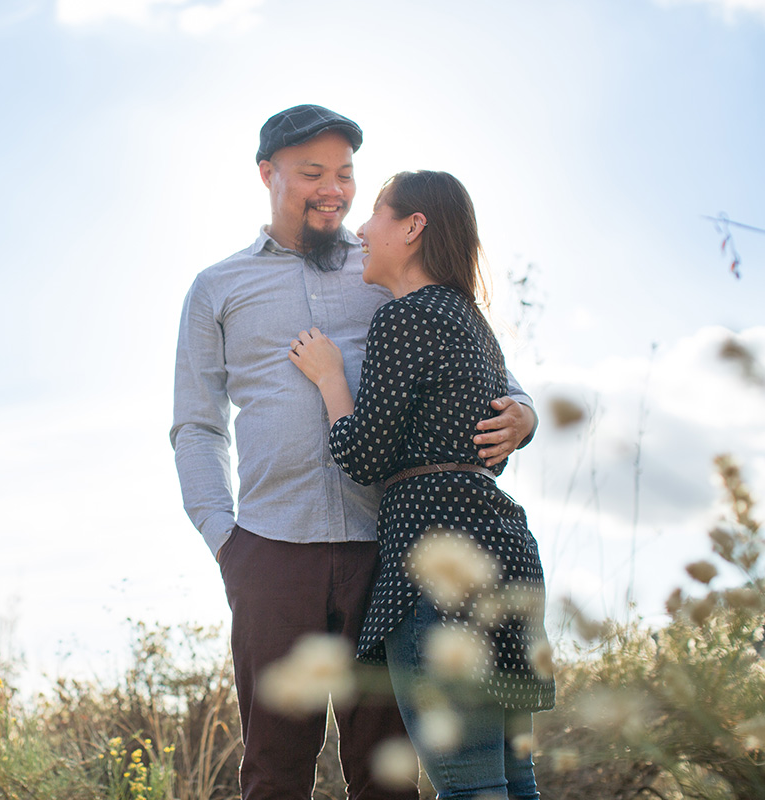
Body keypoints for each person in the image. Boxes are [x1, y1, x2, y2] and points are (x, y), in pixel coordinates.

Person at [170, 106, 539, 800]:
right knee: (275, 767)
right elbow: (197, 426)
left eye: (344, 174)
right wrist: (226, 540)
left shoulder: (385, 264)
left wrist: (525, 413)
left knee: (387, 764)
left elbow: (482, 361)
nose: (333, 190)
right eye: (312, 173)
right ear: (267, 174)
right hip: (271, 548)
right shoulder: (217, 288)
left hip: (391, 548)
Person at [288, 170, 556, 799]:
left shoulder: (404, 318)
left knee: (468, 787)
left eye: (376, 214)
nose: (361, 228)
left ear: (412, 228)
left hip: (437, 565)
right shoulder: (472, 322)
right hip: (506, 555)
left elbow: (365, 453)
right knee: (517, 782)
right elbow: (489, 441)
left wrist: (330, 378)